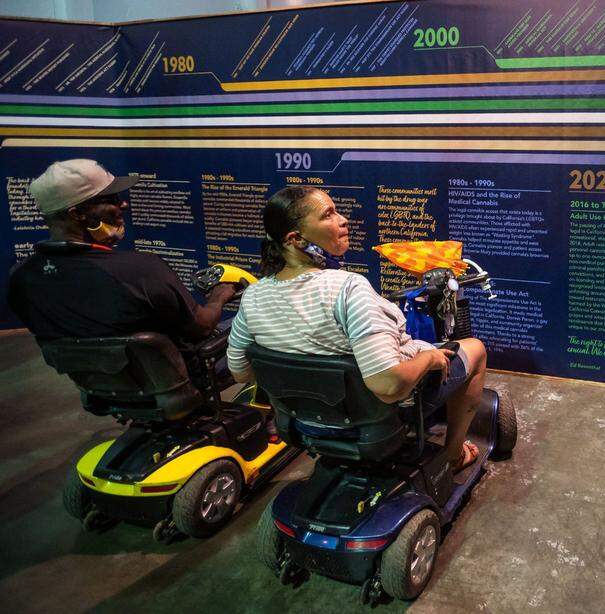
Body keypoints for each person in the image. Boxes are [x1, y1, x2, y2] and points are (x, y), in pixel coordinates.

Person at [225, 186, 488, 473]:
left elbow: (241, 372)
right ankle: (453, 454)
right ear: (296, 239)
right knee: (475, 349)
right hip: (375, 416)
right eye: (328, 214)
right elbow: (388, 387)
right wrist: (429, 359)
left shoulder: (253, 297)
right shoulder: (348, 288)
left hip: (302, 420)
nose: (343, 220)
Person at [7, 159, 237, 352]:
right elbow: (203, 327)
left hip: (99, 385)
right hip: (179, 379)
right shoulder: (142, 270)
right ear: (77, 214)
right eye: (111, 199)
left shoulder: (21, 277)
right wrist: (219, 296)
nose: (124, 204)